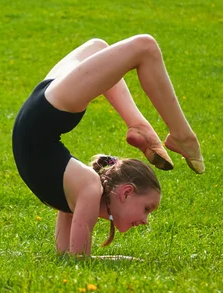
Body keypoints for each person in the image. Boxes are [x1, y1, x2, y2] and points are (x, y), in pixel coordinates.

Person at [12, 35, 204, 256]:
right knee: (145, 47)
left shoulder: (78, 188)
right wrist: (121, 260)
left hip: (41, 114)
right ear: (126, 192)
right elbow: (80, 260)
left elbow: (67, 257)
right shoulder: (88, 186)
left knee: (99, 47)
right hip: (44, 114)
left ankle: (139, 125)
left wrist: (116, 258)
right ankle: (181, 135)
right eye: (146, 209)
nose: (145, 220)